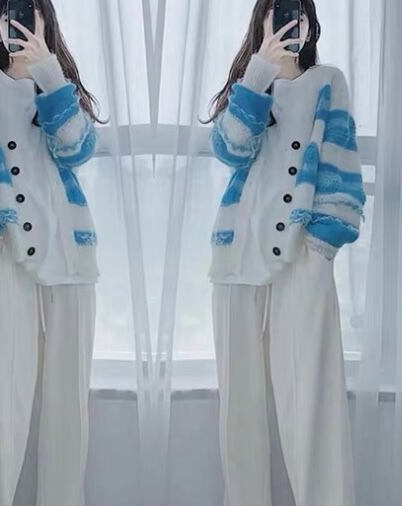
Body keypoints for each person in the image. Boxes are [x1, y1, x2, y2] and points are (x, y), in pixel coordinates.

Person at [0, 1, 106, 505]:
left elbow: (78, 150)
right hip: (5, 260)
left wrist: (49, 73)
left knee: (66, 415)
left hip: (71, 260)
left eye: (31, 15)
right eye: (11, 14)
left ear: (46, 24)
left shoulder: (57, 85)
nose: (20, 24)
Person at [202, 1, 365, 505]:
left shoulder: (329, 82)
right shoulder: (250, 85)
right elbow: (228, 149)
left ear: (311, 25)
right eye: (277, 15)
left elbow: (342, 169)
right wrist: (258, 72)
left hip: (303, 260)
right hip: (237, 259)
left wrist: (320, 249)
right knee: (240, 415)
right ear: (261, 24)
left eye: (297, 14)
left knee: (312, 406)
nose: (288, 25)